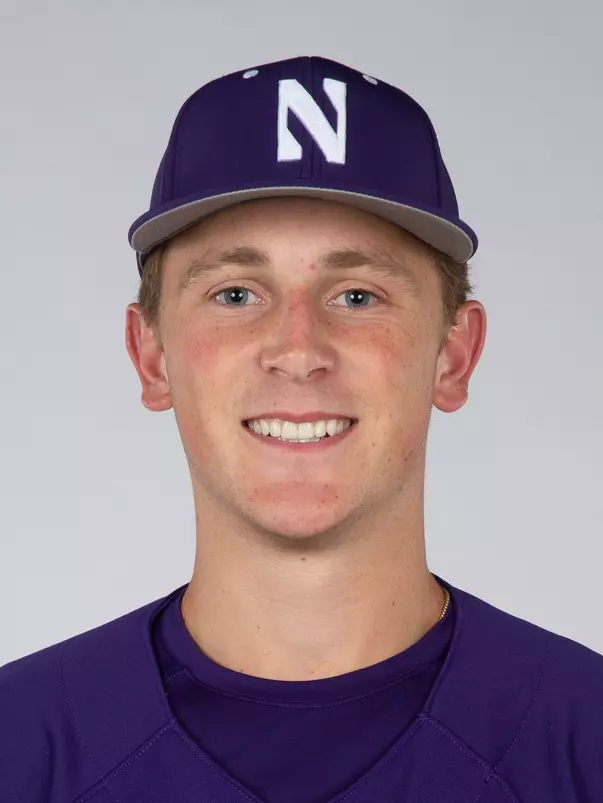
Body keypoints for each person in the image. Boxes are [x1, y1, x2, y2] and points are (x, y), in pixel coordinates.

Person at [1, 55, 601, 803]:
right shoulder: (19, 742)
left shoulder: (585, 739)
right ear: (151, 355)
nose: (297, 349)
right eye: (235, 292)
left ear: (452, 354)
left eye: (356, 294)